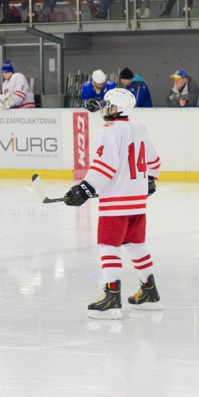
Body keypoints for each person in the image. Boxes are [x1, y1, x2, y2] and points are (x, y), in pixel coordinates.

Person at [59, 87, 162, 318]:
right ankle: (150, 291)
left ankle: (112, 296)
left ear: (120, 108)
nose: (106, 109)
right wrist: (151, 180)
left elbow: (104, 167)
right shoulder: (139, 127)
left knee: (108, 245)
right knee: (136, 245)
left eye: (110, 105)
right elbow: (154, 161)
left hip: (116, 202)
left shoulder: (108, 130)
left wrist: (84, 188)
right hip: (137, 202)